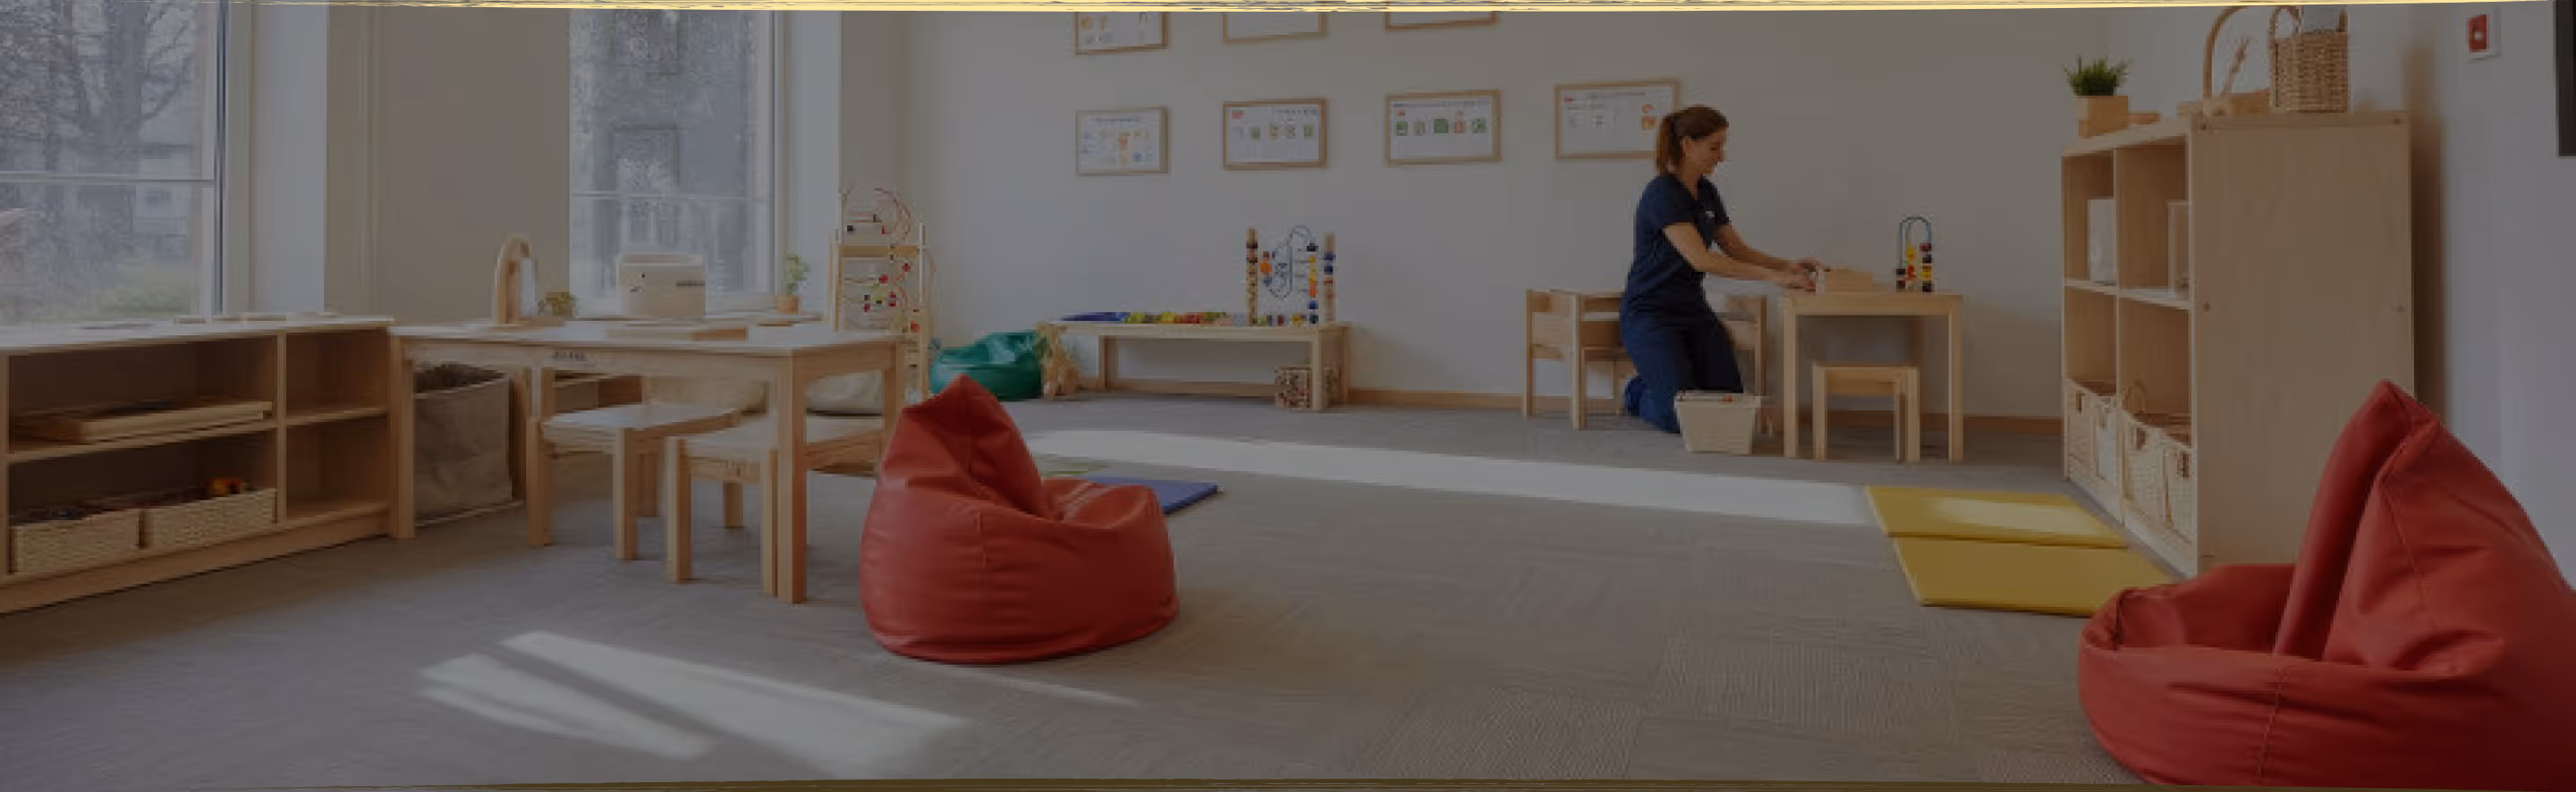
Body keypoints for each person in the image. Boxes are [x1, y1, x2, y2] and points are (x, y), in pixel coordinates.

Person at [1621, 105, 1824, 434]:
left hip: (1693, 311)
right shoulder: (1662, 194)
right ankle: (1634, 391)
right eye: (1715, 147)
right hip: (1651, 314)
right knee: (1682, 418)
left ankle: (1667, 385)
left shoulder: (1707, 192)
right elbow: (1701, 259)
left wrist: (1786, 265)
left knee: (1729, 406)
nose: (1722, 156)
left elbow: (1736, 249)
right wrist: (1774, 278)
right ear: (1687, 146)